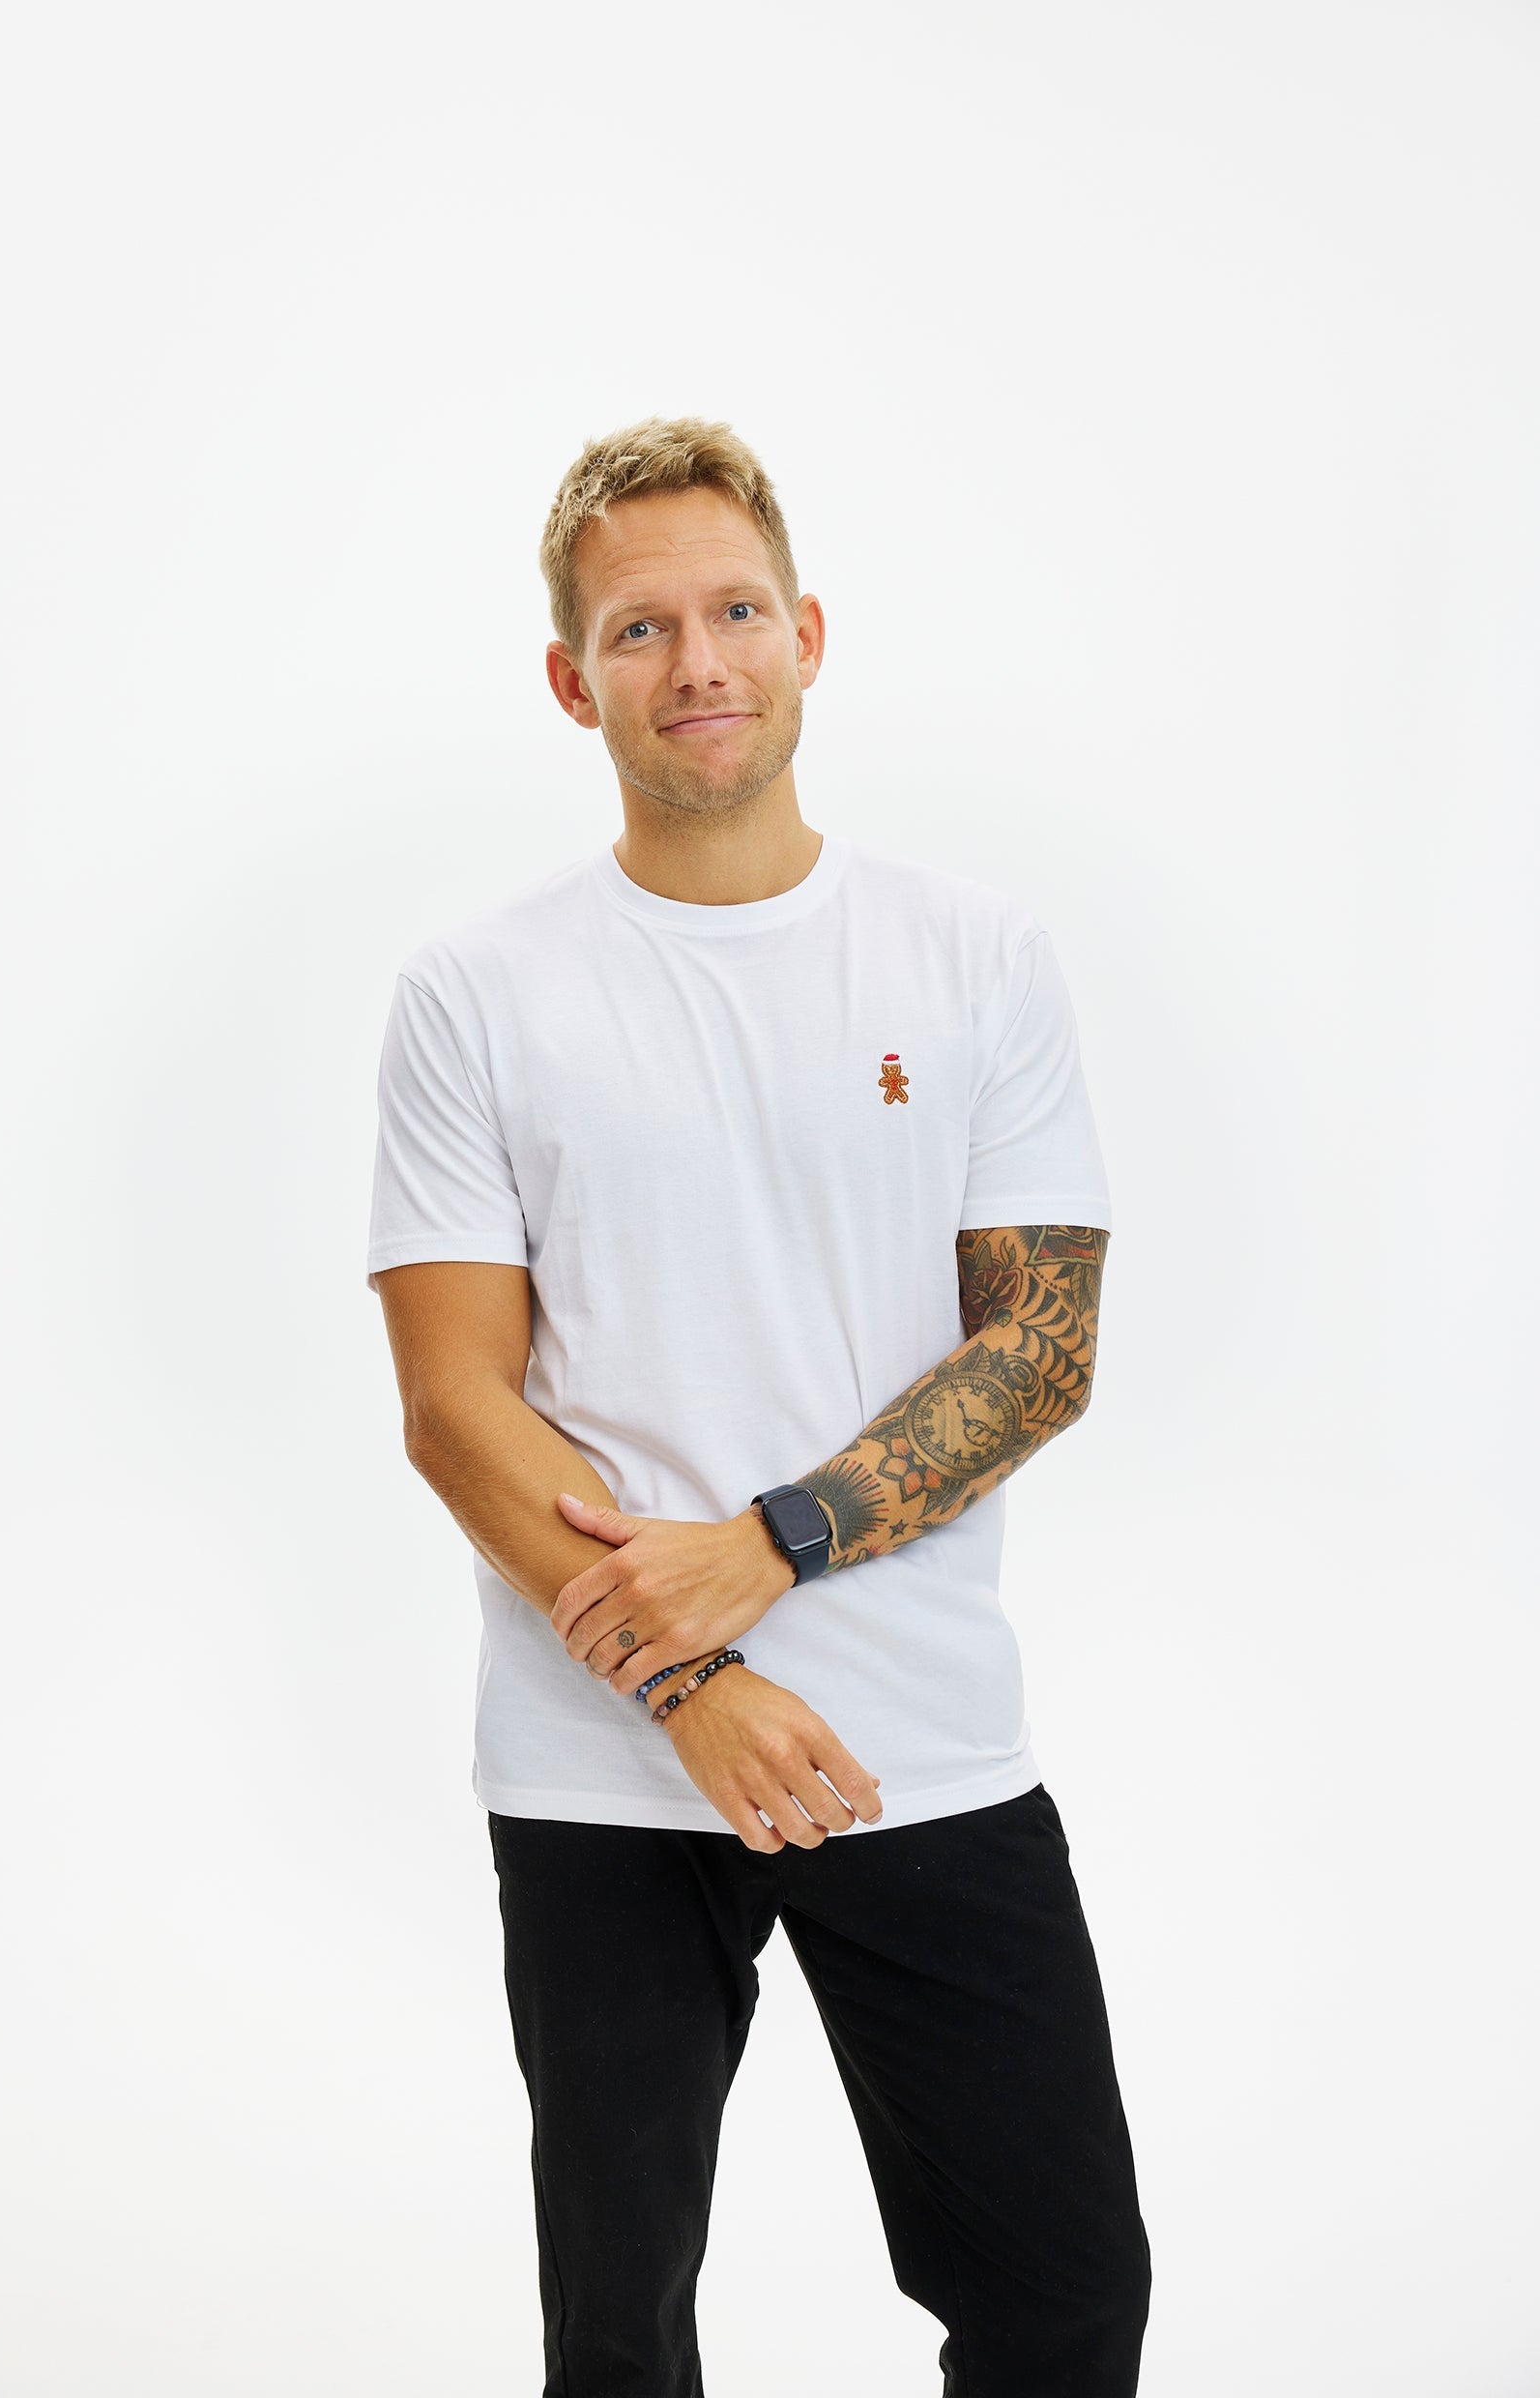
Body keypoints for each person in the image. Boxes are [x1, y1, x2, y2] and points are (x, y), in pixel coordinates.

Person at [366, 415, 1151, 2396]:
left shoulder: (971, 955)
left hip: (914, 1734)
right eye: (637, 629)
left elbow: (1038, 1348)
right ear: (573, 681)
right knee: (618, 2339)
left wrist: (771, 1547)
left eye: (732, 611)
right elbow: (455, 1405)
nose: (695, 660)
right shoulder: (477, 990)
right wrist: (688, 1676)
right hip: (600, 1764)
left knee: (1061, 2299)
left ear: (806, 634)